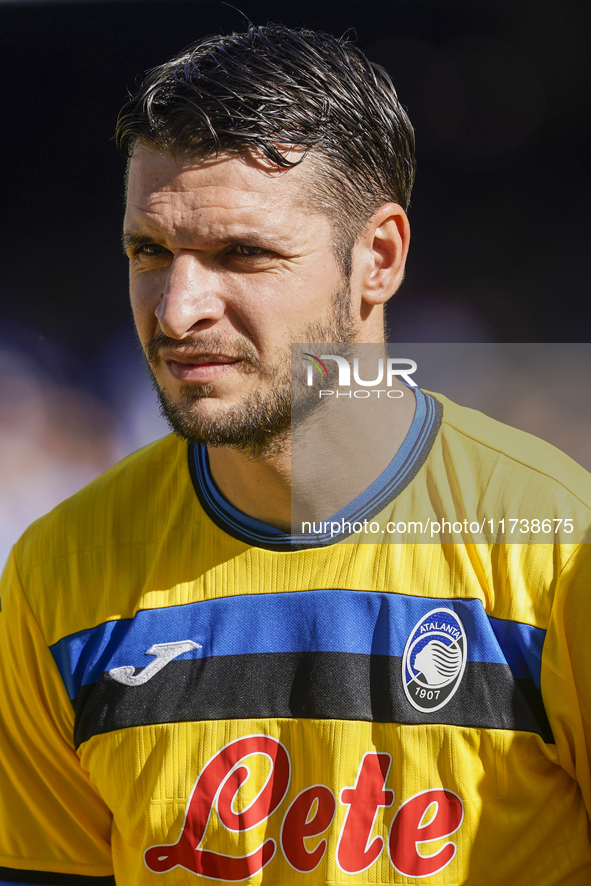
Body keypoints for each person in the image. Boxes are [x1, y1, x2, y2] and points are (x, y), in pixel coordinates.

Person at [1, 23, 590, 886]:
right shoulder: (60, 572)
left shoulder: (555, 549)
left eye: (243, 253)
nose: (177, 310)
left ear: (376, 259)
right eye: (149, 253)